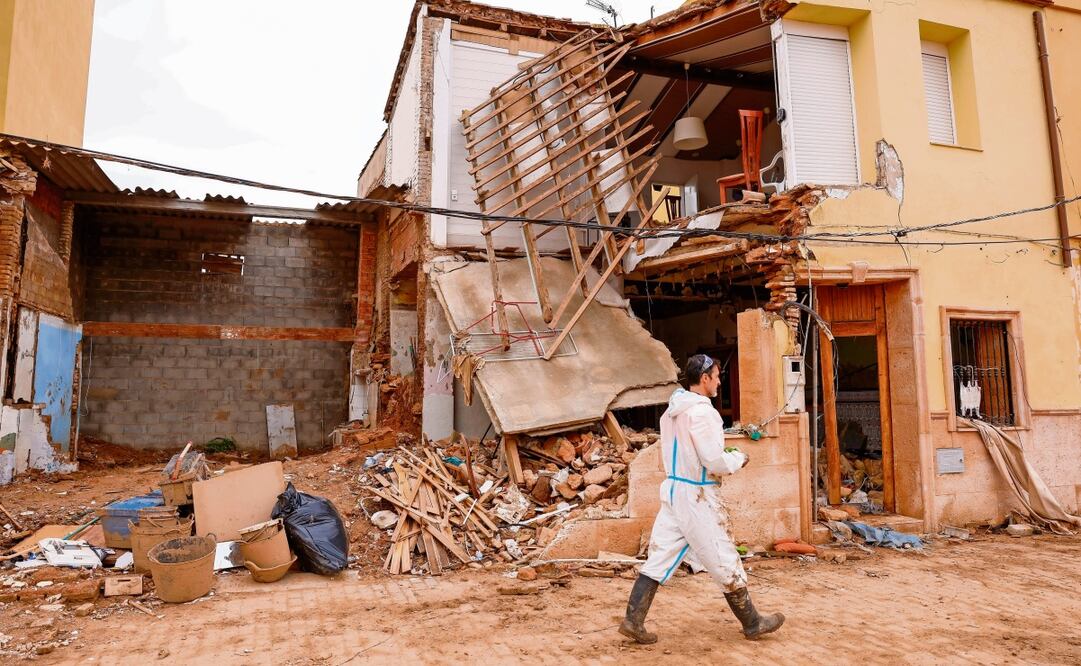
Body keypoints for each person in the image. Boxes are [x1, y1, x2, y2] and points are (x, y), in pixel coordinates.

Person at [618, 354, 785, 644]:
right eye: (717, 377)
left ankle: (633, 620)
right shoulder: (703, 413)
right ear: (704, 378)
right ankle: (752, 622)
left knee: (660, 556)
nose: (719, 382)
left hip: (674, 490)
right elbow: (713, 460)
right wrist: (738, 459)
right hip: (697, 494)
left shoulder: (671, 412)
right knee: (723, 555)